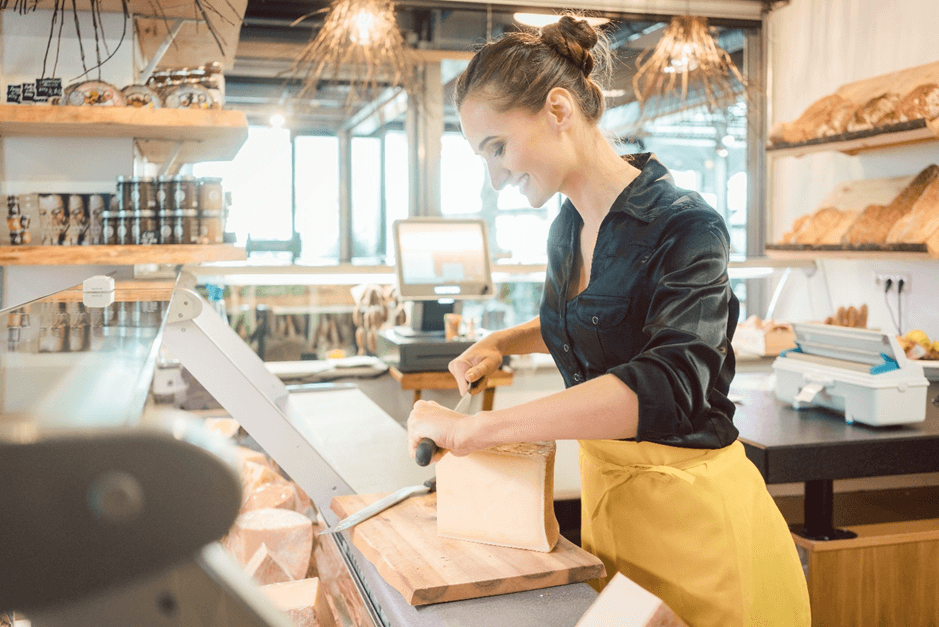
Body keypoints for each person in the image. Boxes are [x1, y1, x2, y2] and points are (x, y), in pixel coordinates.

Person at [406, 16, 811, 627]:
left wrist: (475, 432)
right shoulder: (566, 227)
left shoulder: (686, 224)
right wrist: (503, 341)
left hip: (699, 528)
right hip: (613, 515)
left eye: (497, 147)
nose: (494, 176)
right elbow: (595, 321)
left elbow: (667, 380)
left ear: (558, 109)